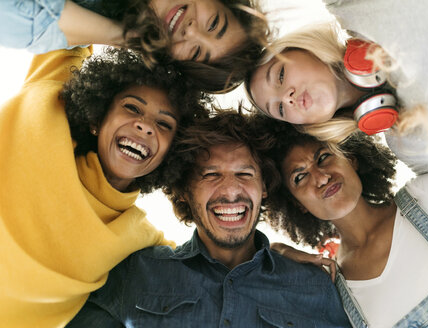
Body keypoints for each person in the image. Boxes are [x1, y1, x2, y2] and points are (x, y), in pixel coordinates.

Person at [66, 111, 352, 328]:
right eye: (211, 175)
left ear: (263, 188)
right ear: (183, 193)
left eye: (245, 174)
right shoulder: (135, 273)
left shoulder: (315, 286)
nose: (230, 191)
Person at [0, 46, 207, 327]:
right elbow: (71, 16)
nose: (145, 127)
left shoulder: (137, 237)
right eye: (132, 107)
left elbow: (212, 277)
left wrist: (285, 259)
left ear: (170, 152)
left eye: (163, 124)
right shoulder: (49, 107)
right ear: (98, 119)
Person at [257, 117, 428, 327]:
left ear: (351, 158)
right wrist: (274, 254)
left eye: (323, 157)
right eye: (300, 176)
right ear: (297, 204)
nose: (321, 177)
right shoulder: (334, 291)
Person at [245, 14, 428, 175]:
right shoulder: (408, 148)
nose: (287, 98)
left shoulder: (373, 17)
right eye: (279, 109)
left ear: (301, 48)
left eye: (279, 76)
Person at [0, 0, 271, 92]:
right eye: (213, 24)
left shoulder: (86, 21)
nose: (191, 32)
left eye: (196, 52)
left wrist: (128, 37)